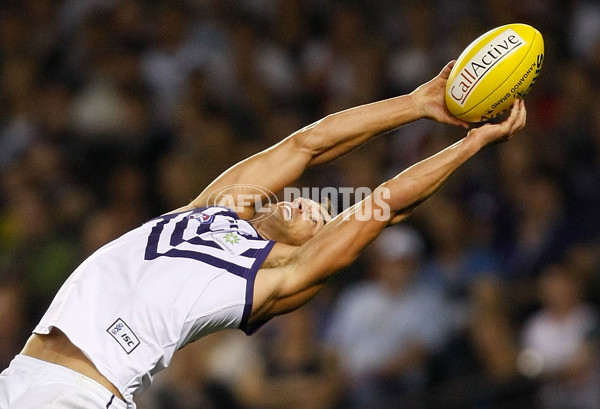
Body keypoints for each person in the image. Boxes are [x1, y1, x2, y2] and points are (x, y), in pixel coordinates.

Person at [0, 61, 527, 408]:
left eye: (324, 218)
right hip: (20, 374)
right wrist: (415, 105)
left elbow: (383, 207)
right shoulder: (213, 209)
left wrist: (470, 145)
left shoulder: (271, 276)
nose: (314, 204)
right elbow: (307, 146)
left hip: (82, 397)